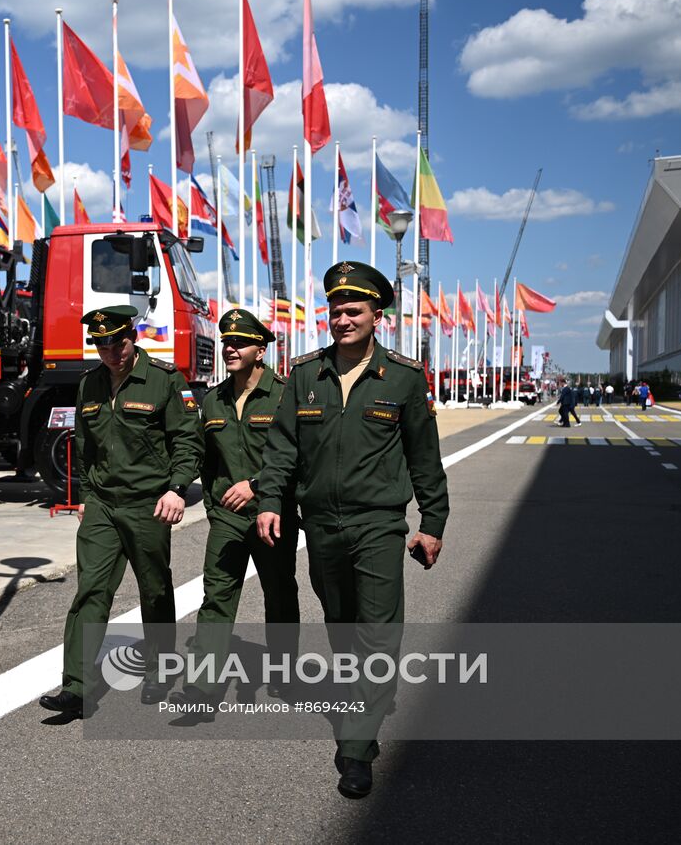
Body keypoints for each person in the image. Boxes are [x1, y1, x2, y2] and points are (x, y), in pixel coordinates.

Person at [255, 261, 449, 800]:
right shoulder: (303, 376)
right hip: (319, 525)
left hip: (379, 523)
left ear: (376, 316)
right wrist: (271, 502)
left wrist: (431, 523)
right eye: (336, 311)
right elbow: (282, 451)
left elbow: (424, 458)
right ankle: (363, 707)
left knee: (378, 633)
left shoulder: (405, 378)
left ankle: (356, 748)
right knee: (342, 628)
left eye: (354, 311)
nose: (343, 320)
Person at [40, 305, 202, 719]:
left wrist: (177, 489)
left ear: (133, 336)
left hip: (149, 505)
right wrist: (83, 496)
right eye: (100, 344)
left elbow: (187, 441)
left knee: (155, 590)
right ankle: (76, 688)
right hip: (102, 507)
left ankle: (160, 671)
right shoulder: (89, 385)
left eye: (117, 341)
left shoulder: (164, 381)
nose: (110, 351)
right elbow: (86, 445)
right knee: (90, 592)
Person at [169, 309, 299, 718]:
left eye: (240, 342)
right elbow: (197, 451)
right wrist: (203, 498)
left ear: (260, 350)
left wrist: (258, 485)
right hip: (227, 516)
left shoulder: (285, 394)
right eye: (226, 342)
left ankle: (283, 671)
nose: (230, 348)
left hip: (273, 512)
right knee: (216, 598)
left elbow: (299, 454)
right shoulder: (213, 398)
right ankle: (202, 690)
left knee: (279, 594)